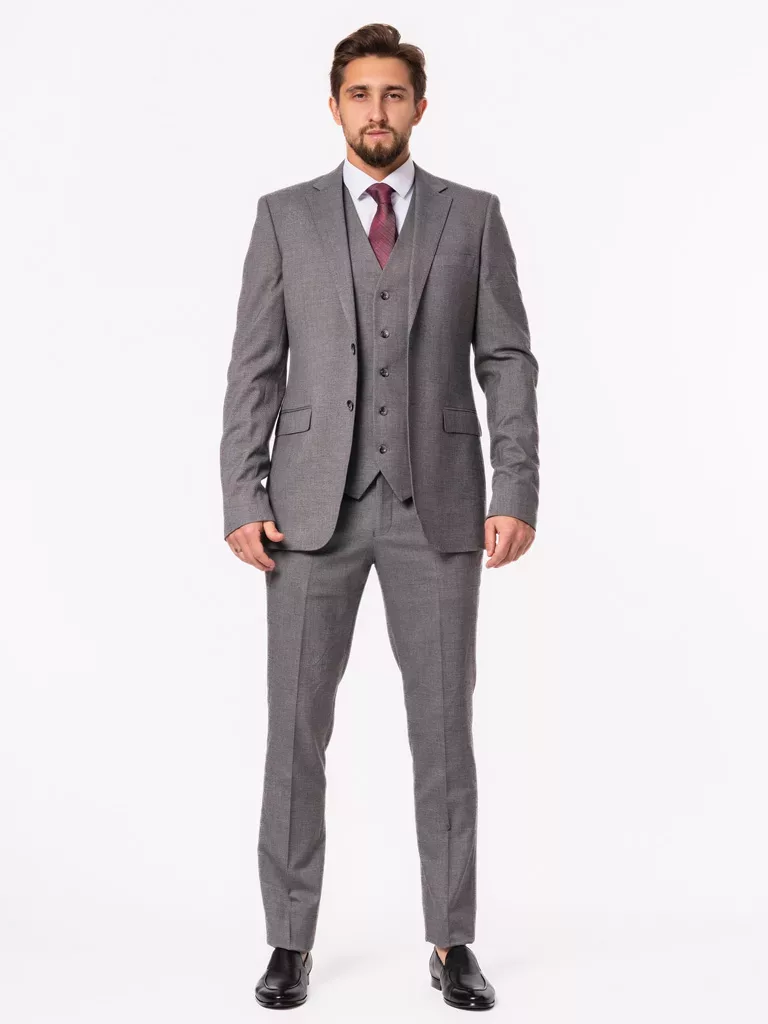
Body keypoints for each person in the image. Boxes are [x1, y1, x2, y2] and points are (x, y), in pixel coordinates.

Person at [219, 22, 539, 1012]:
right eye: (360, 93)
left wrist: (514, 487)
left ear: (419, 107)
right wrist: (243, 493)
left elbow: (507, 360)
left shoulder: (473, 217)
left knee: (445, 734)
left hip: (438, 509)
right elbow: (254, 366)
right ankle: (288, 940)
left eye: (394, 94)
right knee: (295, 732)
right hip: (306, 512)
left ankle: (451, 940)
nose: (377, 111)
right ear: (334, 106)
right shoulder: (284, 218)